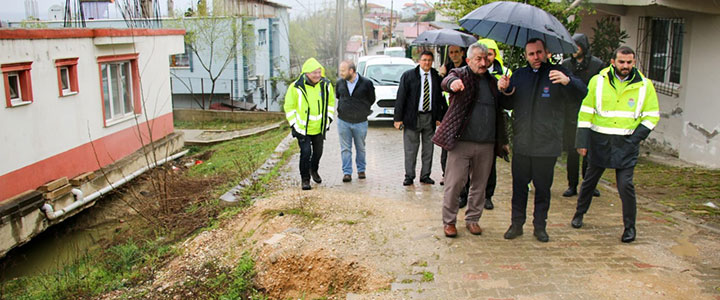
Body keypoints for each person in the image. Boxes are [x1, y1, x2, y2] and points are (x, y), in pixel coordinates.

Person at [497, 38, 587, 242]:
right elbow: (507, 103)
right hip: (522, 143)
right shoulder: (519, 75)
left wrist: (568, 82)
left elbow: (582, 92)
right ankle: (516, 224)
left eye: (539, 52)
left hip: (547, 144)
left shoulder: (557, 73)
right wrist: (504, 89)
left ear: (546, 52)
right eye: (531, 54)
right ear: (526, 56)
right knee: (519, 188)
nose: (535, 57)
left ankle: (540, 226)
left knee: (543, 190)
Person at [570, 46, 659, 243]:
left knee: (626, 186)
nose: (625, 66)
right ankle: (579, 214)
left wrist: (635, 139)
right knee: (589, 182)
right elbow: (586, 112)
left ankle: (630, 228)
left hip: (626, 144)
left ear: (634, 62)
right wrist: (582, 141)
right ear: (613, 62)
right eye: (621, 62)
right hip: (600, 141)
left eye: (629, 62)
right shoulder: (597, 82)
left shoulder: (645, 85)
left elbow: (652, 115)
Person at [434, 43, 508, 237]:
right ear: (468, 60)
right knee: (455, 183)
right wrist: (452, 84)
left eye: (486, 58)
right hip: (461, 142)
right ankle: (449, 222)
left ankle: (473, 219)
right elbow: (446, 80)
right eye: (478, 59)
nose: (483, 63)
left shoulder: (493, 82)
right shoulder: (461, 74)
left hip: (487, 143)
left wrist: (505, 90)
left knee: (480, 185)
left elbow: (501, 111)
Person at [394, 51, 448, 186]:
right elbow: (401, 97)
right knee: (411, 149)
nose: (427, 63)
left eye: (430, 60)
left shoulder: (436, 77)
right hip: (412, 117)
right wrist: (398, 118)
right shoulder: (409, 76)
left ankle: (425, 175)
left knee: (428, 148)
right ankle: (409, 175)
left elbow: (441, 99)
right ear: (419, 61)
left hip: (429, 117)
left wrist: (439, 116)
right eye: (424, 60)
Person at [561, 33, 605, 198]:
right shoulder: (565, 64)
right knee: (572, 153)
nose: (574, 49)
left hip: (591, 114)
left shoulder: (597, 65)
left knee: (590, 153)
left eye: (577, 46)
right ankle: (572, 185)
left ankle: (589, 184)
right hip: (571, 114)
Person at [283, 58, 336, 190]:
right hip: (302, 129)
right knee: (306, 153)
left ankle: (314, 169)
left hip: (319, 127)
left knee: (318, 152)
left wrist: (328, 118)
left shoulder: (326, 85)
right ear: (306, 73)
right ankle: (305, 179)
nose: (318, 75)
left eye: (319, 72)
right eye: (314, 73)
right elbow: (289, 107)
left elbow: (330, 103)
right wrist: (294, 124)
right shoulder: (295, 87)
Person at [477, 38, 513, 210]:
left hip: (494, 123)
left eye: (490, 54)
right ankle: (467, 194)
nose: (487, 58)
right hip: (475, 123)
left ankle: (488, 195)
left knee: (490, 163)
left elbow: (510, 101)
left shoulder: (505, 72)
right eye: (484, 54)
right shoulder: (474, 71)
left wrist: (504, 90)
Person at [335, 60, 376, 182]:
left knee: (360, 147)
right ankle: (347, 172)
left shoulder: (366, 83)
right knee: (345, 148)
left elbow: (372, 99)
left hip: (360, 122)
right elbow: (338, 96)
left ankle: (361, 170)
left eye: (343, 70)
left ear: (351, 71)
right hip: (343, 121)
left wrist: (362, 109)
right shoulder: (339, 83)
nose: (340, 73)